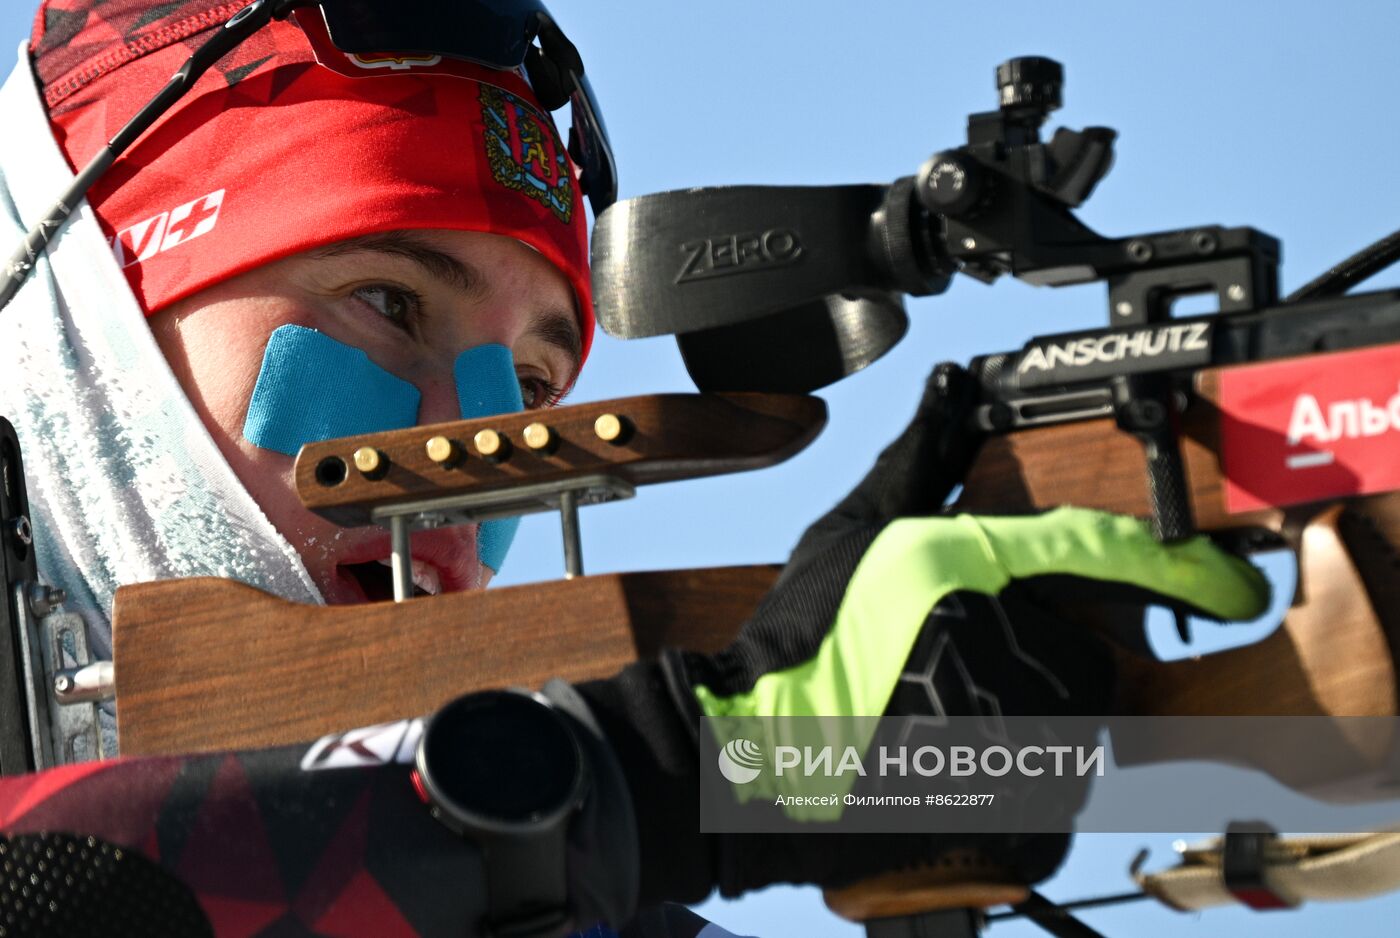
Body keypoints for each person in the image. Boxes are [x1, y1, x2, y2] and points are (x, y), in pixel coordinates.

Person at [0, 1, 1270, 935]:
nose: (469, 446)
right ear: (81, 321)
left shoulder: (569, 884)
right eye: (384, 301)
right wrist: (671, 770)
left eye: (538, 383)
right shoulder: (606, 814)